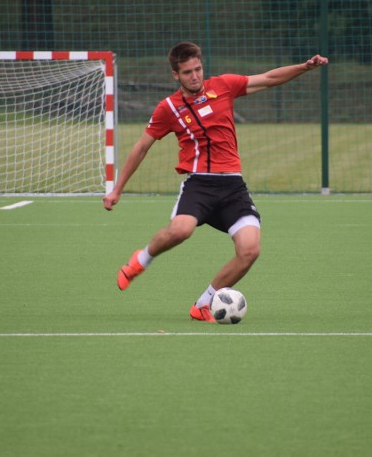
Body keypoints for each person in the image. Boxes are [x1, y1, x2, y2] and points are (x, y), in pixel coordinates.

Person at [103, 41, 328, 322]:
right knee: (181, 231)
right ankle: (142, 260)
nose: (195, 76)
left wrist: (305, 67)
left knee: (250, 250)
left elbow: (269, 79)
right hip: (199, 185)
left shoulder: (223, 86)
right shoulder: (168, 108)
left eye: (198, 69)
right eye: (187, 72)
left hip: (233, 187)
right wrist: (117, 189)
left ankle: (203, 304)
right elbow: (141, 147)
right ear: (176, 75)